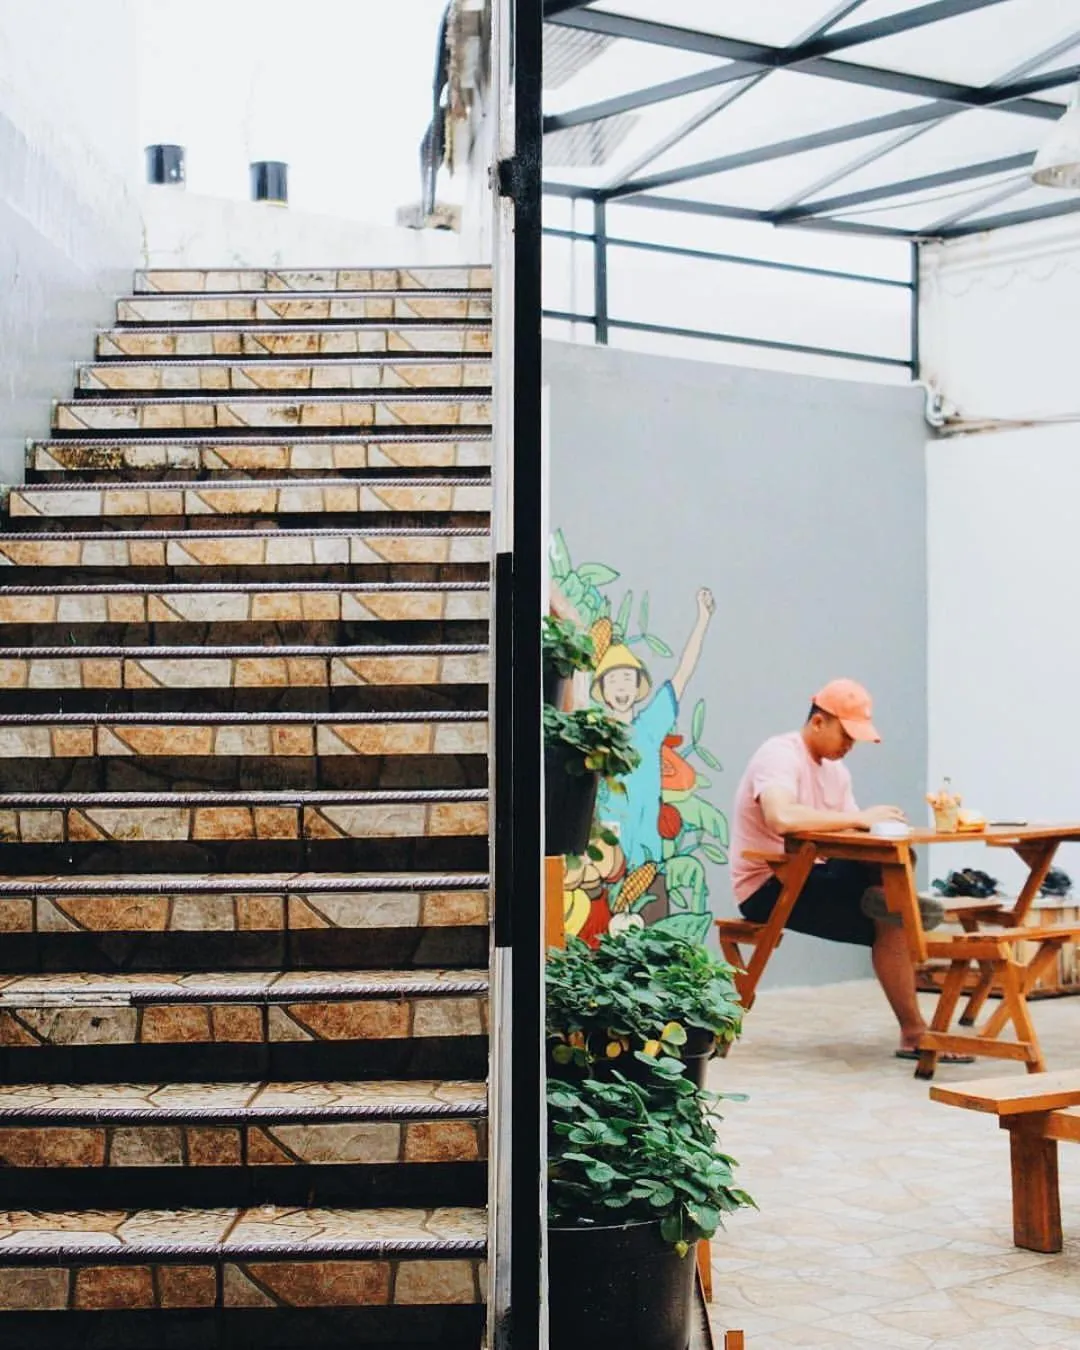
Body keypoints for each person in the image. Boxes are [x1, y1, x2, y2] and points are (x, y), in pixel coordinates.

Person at [730, 679, 965, 1062]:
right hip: (769, 884)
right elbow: (781, 816)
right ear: (818, 722)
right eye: (846, 735)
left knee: (889, 868)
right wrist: (860, 818)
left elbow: (852, 835)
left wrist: (878, 829)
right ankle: (914, 1027)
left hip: (814, 873)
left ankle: (893, 899)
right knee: (891, 913)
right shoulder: (779, 755)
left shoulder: (836, 772)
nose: (850, 745)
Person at [592, 588, 715, 870]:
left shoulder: (650, 726)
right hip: (605, 860)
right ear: (603, 690)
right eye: (613, 681)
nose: (621, 688)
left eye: (627, 678)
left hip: (647, 856)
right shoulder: (593, 734)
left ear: (637, 686)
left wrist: (703, 620)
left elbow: (682, 674)